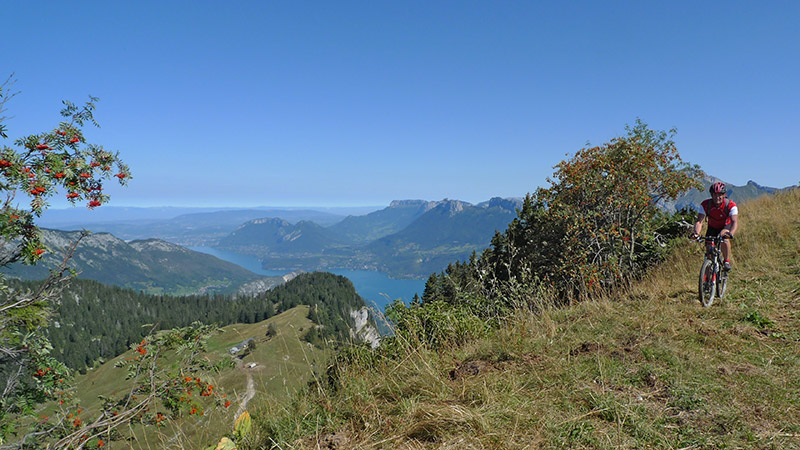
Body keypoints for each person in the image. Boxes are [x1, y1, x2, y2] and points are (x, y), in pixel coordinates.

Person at [690, 182, 739, 270]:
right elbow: (699, 221)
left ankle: (726, 261)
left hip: (725, 226)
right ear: (711, 195)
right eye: (715, 195)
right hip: (712, 227)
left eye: (720, 194)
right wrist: (696, 233)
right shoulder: (705, 204)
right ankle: (708, 280)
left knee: (724, 238)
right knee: (709, 255)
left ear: (724, 195)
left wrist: (731, 233)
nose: (717, 197)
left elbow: (734, 222)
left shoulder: (731, 205)